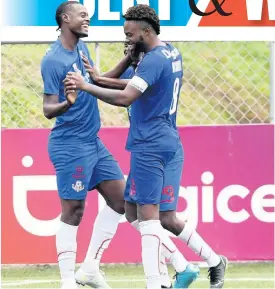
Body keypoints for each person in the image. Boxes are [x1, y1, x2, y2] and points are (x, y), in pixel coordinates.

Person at [64, 4, 228, 288]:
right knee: (152, 214)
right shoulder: (170, 52)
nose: (126, 39)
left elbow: (127, 97)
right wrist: (101, 77)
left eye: (130, 34)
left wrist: (87, 86)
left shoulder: (151, 61)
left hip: (150, 146)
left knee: (148, 219)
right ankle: (213, 261)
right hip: (169, 143)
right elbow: (134, 83)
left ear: (146, 32)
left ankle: (157, 283)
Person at [40, 2, 134, 288]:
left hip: (93, 142)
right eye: (82, 15)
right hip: (69, 144)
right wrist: (66, 104)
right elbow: (47, 108)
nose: (87, 19)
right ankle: (68, 281)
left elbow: (94, 80)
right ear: (65, 19)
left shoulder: (81, 48)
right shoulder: (53, 60)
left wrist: (128, 60)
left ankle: (90, 268)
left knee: (123, 202)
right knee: (74, 211)